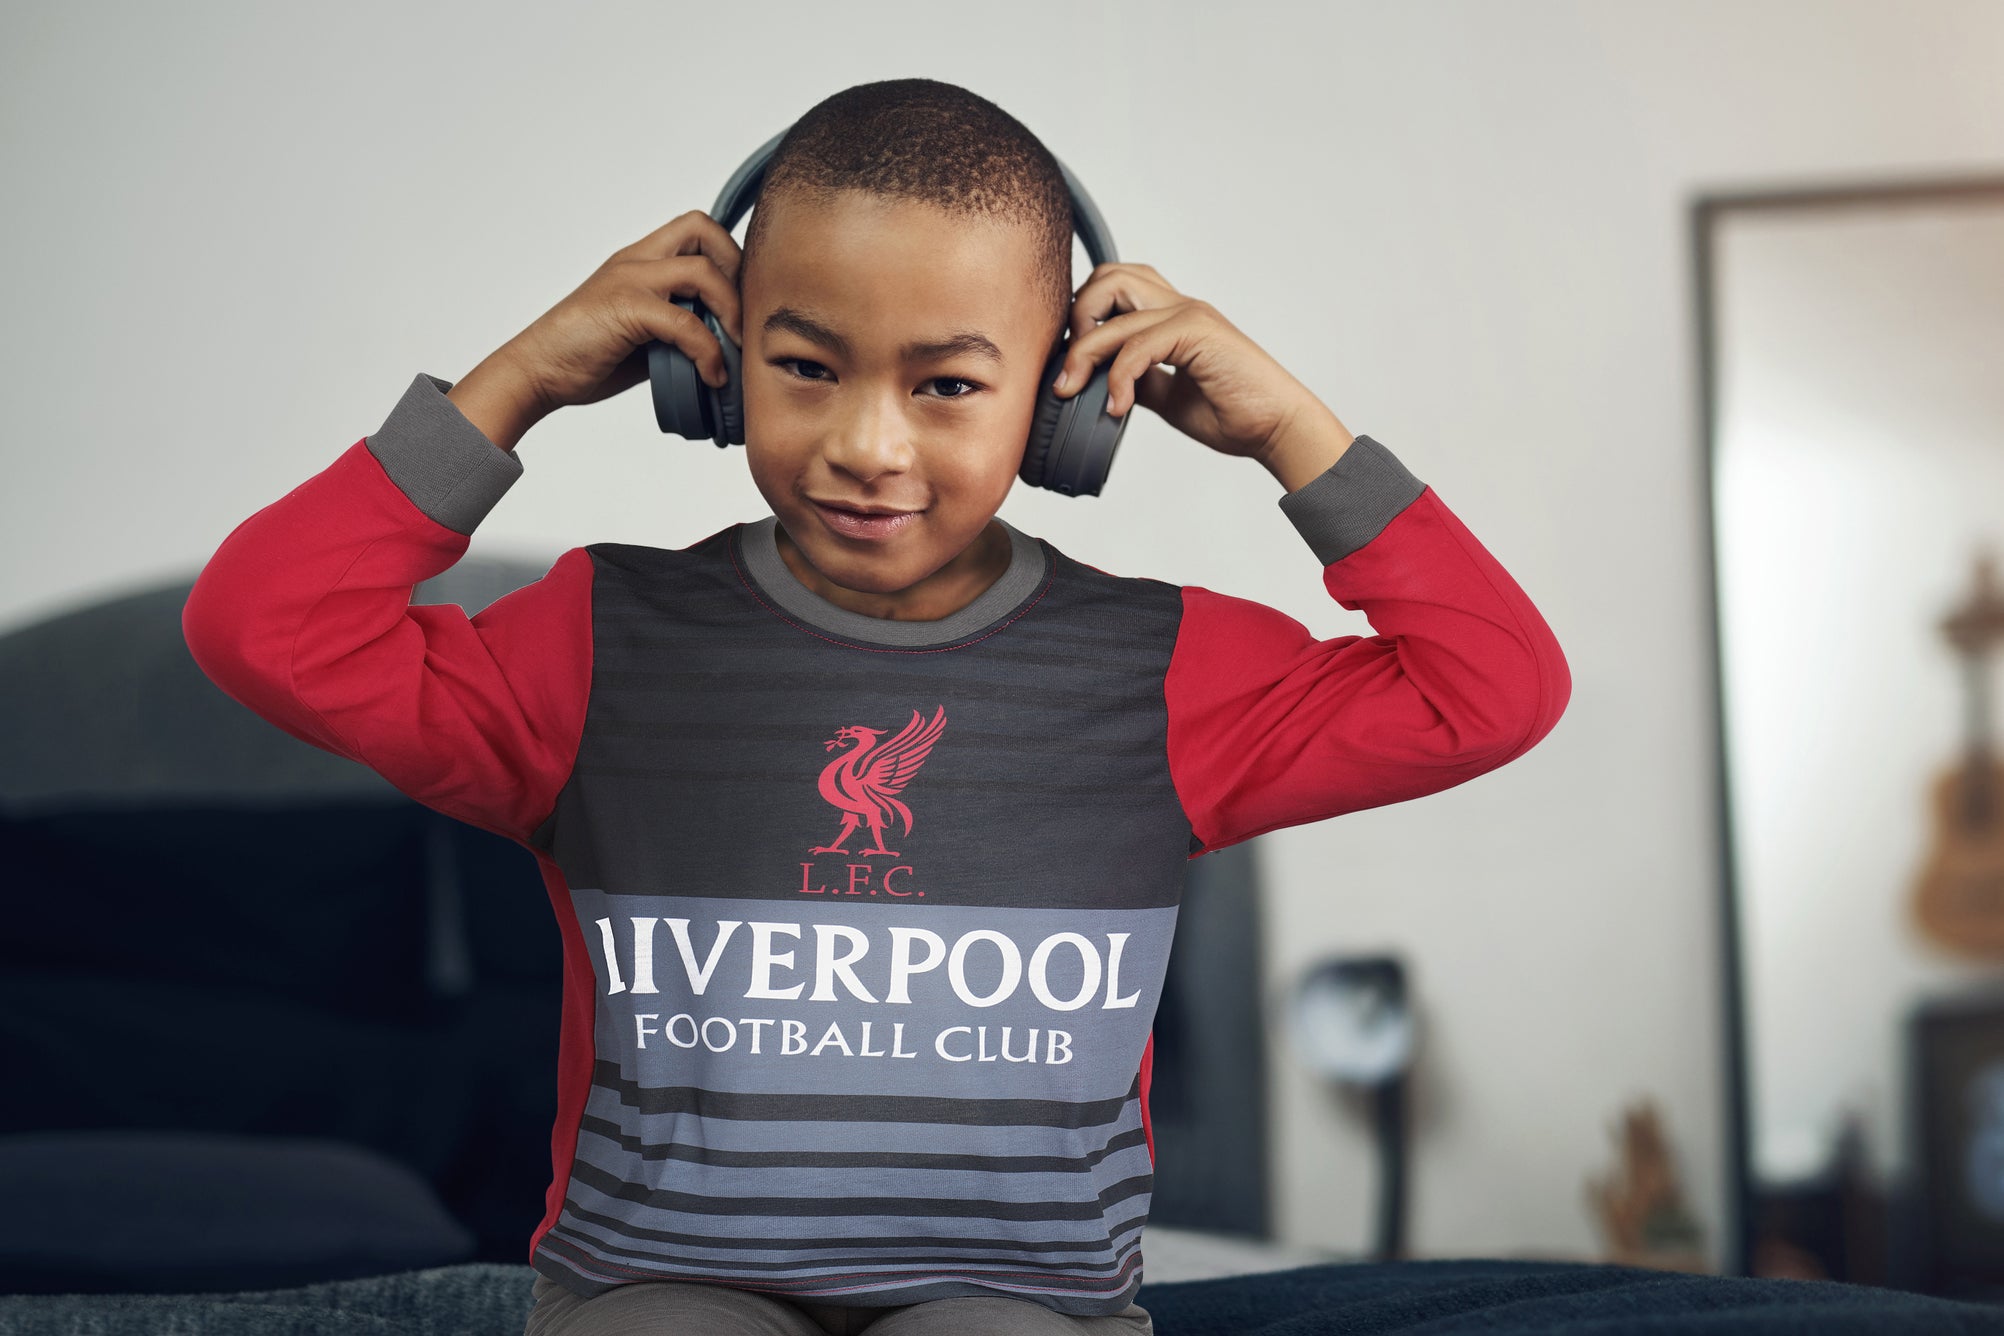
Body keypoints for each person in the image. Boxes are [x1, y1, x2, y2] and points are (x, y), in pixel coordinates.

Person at [183, 78, 1570, 1336]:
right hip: (663, 1287)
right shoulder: (597, 642)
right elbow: (264, 625)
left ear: (1066, 403)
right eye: (806, 367)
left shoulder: (1162, 668)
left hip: (1020, 1300)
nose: (866, 444)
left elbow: (1495, 687)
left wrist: (1290, 430)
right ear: (709, 362)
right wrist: (521, 380)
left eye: (950, 384)